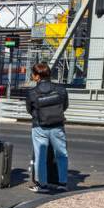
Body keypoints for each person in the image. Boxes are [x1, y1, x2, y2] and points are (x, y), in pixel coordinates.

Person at [25, 62, 70, 193]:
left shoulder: (32, 92)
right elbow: (64, 106)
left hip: (39, 127)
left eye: (33, 74)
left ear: (37, 76)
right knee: (62, 154)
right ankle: (62, 183)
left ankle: (42, 185)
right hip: (57, 126)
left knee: (40, 156)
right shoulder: (61, 89)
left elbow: (30, 109)